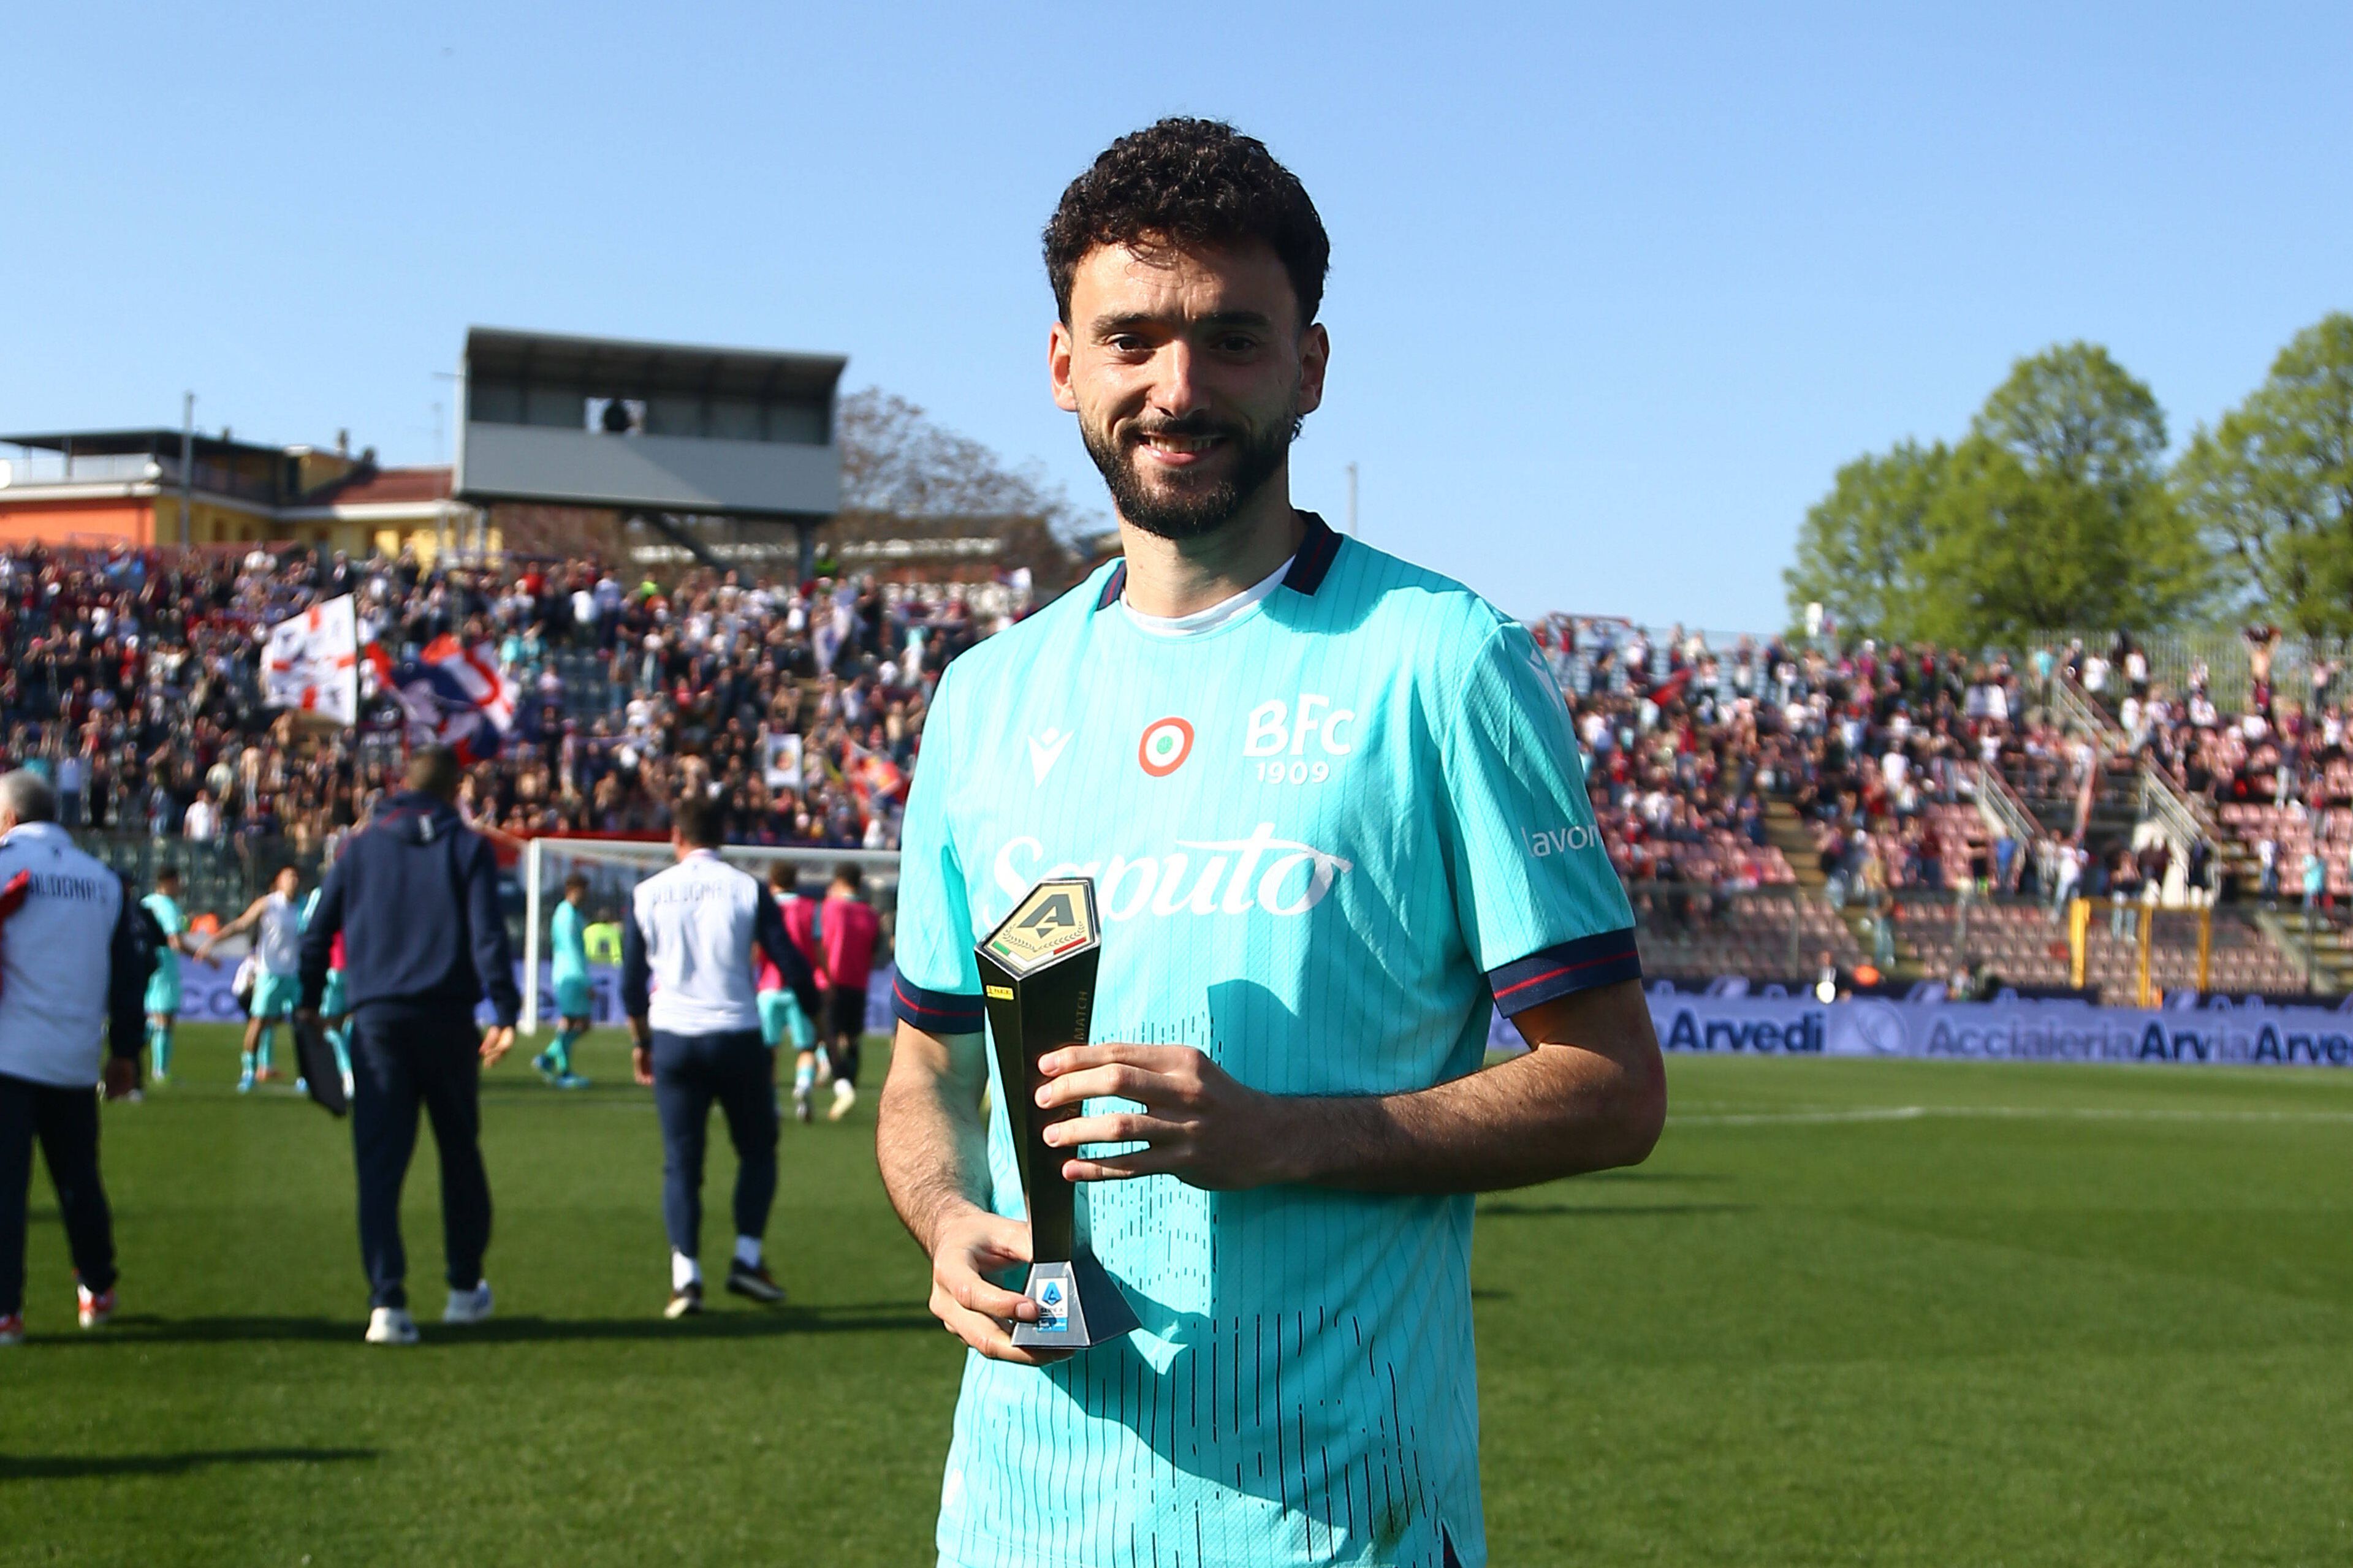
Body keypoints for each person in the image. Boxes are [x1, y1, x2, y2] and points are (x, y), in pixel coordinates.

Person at [873, 120, 1663, 1568]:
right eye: (1133, 338)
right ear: (1063, 365)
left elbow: (1611, 1085)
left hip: (1337, 1521)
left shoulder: (1439, 660)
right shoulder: (984, 703)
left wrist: (1285, 1134)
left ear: (1307, 364)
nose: (1177, 387)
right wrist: (941, 1217)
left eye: (1230, 340)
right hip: (1017, 1519)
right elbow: (923, 1067)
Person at [297, 746, 520, 1347]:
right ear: (456, 792)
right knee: (460, 1156)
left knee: (380, 1164)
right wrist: (505, 1008)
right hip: (449, 1022)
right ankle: (463, 1288)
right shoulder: (468, 846)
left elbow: (316, 934)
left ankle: (387, 1302)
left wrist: (310, 1005)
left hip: (378, 1024)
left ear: (401, 784)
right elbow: (487, 936)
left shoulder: (362, 847)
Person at [620, 795, 821, 1317]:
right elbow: (793, 965)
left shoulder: (647, 893)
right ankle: (747, 1258)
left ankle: (685, 1277)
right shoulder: (747, 888)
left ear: (676, 837)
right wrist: (817, 1024)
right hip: (735, 1034)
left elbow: (628, 985)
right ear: (722, 837)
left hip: (673, 1038)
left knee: (681, 1163)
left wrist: (641, 1043)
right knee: (757, 1151)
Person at [0, 770, 151, 1346]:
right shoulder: (103, 880)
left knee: (6, 1188)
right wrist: (126, 1053)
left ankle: (6, 1311)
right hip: (73, 1056)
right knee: (79, 1181)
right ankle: (97, 1286)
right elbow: (128, 977)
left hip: (9, 1054)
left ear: (10, 819)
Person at [202, 864, 306, 1092]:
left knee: (303, 1026)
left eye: (296, 877)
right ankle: (249, 1071)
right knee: (258, 1022)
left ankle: (306, 1075)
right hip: (270, 974)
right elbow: (241, 925)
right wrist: (212, 942)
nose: (293, 881)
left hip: (295, 974)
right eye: (289, 876)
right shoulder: (269, 904)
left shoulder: (304, 906)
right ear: (278, 882)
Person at [756, 863, 821, 1121]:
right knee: (807, 1047)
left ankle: (772, 1105)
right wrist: (824, 975)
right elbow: (817, 946)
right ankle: (804, 1086)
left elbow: (755, 948)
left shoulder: (764, 907)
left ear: (772, 880)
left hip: (769, 988)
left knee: (769, 1051)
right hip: (800, 987)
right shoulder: (810, 907)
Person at [818, 864, 880, 1121]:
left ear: (841, 882)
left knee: (829, 1035)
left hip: (833, 981)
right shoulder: (871, 914)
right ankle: (850, 1083)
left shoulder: (831, 908)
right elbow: (875, 951)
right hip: (859, 982)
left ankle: (843, 1086)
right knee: (853, 1038)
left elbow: (820, 943)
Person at [531, 873, 594, 1089]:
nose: (586, 895)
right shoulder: (567, 915)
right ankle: (563, 1070)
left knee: (575, 1023)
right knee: (576, 1022)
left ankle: (548, 1059)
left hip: (568, 974)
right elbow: (571, 949)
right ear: (573, 889)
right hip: (571, 975)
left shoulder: (570, 913)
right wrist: (586, 982)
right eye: (583, 890)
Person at [142, 865, 196, 1084]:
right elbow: (175, 941)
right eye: (178, 882)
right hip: (164, 966)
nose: (180, 887)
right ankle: (160, 1071)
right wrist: (203, 956)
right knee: (164, 1017)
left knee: (153, 1016)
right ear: (169, 883)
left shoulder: (146, 902)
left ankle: (130, 1051)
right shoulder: (168, 907)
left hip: (145, 963)